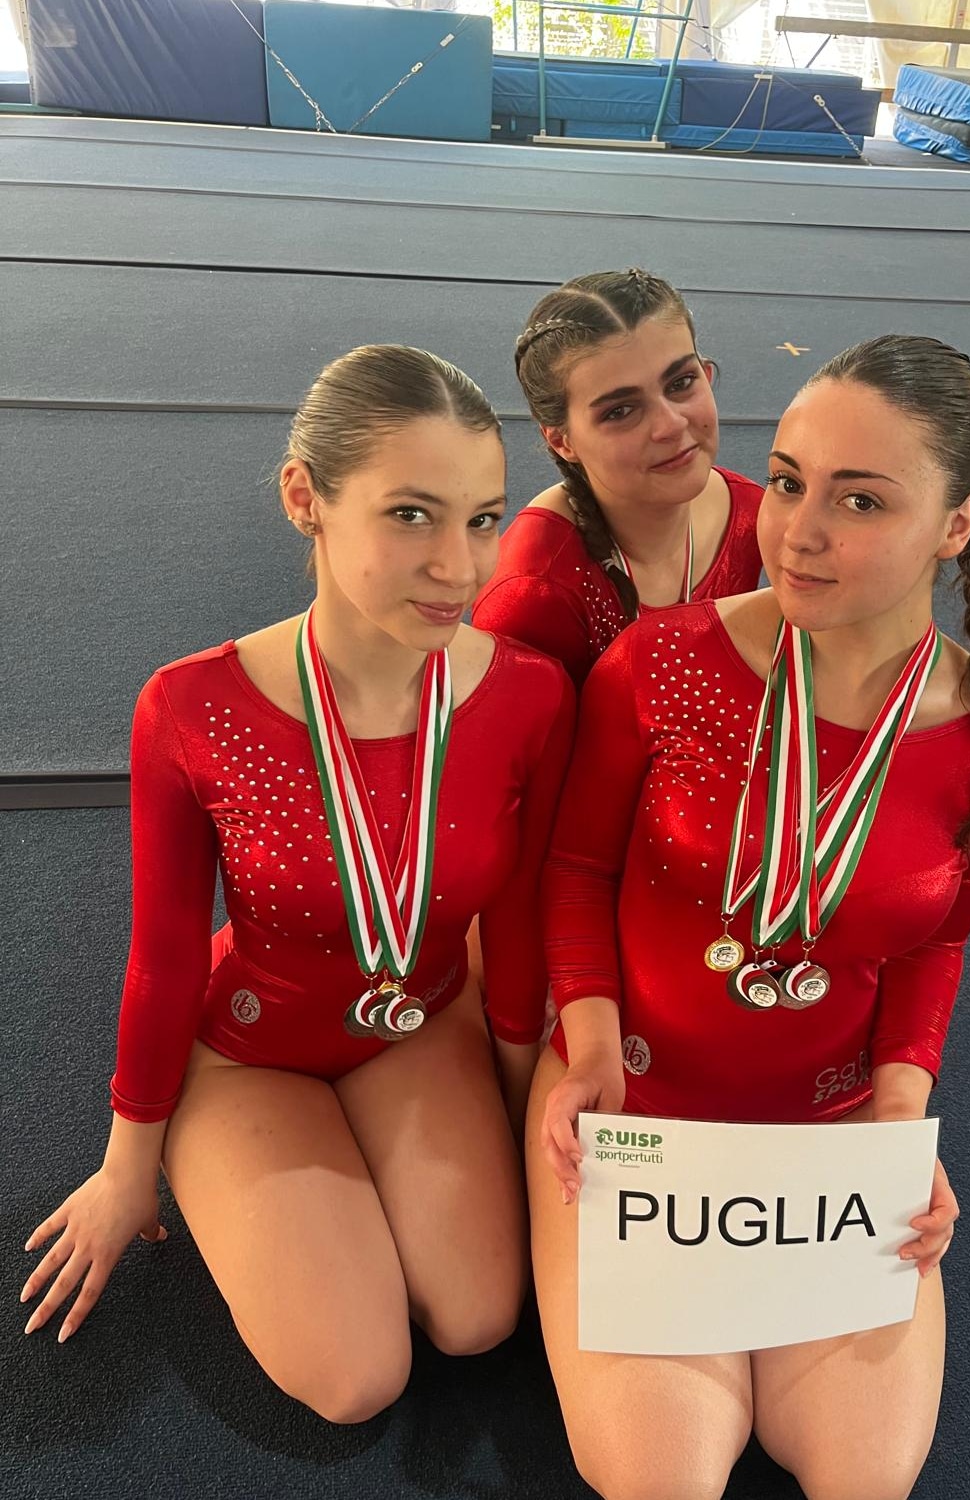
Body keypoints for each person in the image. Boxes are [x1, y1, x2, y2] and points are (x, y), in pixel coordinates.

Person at [527, 335, 970, 1500]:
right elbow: (574, 869)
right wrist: (589, 1045)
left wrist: (900, 1116)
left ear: (956, 523)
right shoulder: (661, 666)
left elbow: (936, 944)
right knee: (660, 1480)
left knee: (863, 1478)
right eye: (786, 482)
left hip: (830, 1127)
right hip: (636, 1101)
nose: (799, 532)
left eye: (860, 500)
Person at [20, 346, 575, 1424]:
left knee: (478, 1316)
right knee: (357, 1380)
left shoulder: (528, 697)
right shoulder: (193, 707)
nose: (459, 566)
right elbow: (164, 955)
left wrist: (520, 1106)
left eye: (482, 519)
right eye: (410, 515)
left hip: (420, 1020)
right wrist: (128, 1162)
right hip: (250, 1044)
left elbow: (515, 926)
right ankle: (219, 1153)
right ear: (304, 498)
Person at [471, 268, 765, 687]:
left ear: (706, 374)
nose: (670, 425)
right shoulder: (533, 591)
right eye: (620, 411)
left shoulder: (751, 514)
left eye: (681, 383)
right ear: (562, 441)